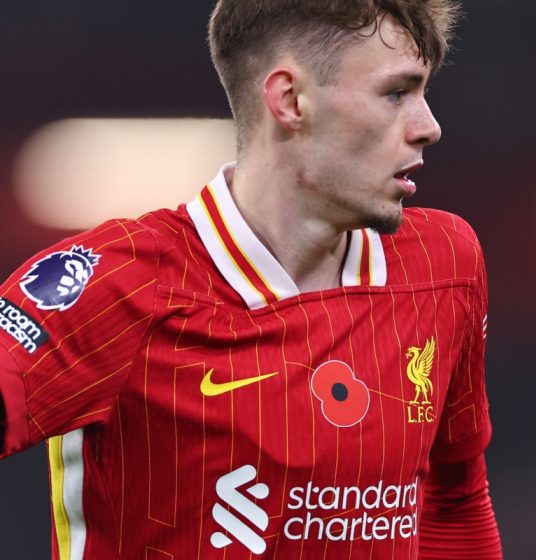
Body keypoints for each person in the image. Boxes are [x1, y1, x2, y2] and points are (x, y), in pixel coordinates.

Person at [0, 0, 502, 558]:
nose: (429, 127)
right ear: (290, 100)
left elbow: (454, 502)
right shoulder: (118, 282)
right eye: (396, 93)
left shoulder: (443, 264)